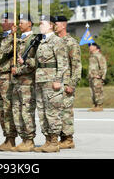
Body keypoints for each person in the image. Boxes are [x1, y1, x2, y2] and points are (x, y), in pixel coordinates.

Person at [34, 15, 68, 153]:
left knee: (52, 112)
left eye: (42, 24)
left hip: (51, 80)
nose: (40, 26)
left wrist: (58, 80)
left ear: (50, 25)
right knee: (42, 112)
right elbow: (39, 63)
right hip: (41, 80)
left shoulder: (57, 41)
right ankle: (47, 140)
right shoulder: (41, 42)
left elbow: (63, 63)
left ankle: (54, 141)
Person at [0, 12, 17, 151]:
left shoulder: (14, 37)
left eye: (5, 20)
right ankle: (7, 137)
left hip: (8, 77)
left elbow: (2, 53)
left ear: (12, 22)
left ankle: (11, 138)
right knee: (1, 110)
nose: (2, 23)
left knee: (8, 109)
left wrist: (12, 35)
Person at [10, 14, 37, 152]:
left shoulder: (33, 39)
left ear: (30, 24)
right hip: (16, 82)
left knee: (26, 111)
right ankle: (23, 138)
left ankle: (29, 140)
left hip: (27, 81)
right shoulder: (18, 38)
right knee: (16, 111)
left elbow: (34, 63)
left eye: (22, 22)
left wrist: (19, 69)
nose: (19, 25)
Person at [54, 15, 81, 149]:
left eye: (56, 23)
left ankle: (68, 139)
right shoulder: (55, 41)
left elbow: (76, 65)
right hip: (57, 82)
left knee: (66, 111)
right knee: (58, 111)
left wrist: (72, 84)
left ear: (63, 25)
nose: (54, 25)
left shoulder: (71, 42)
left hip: (66, 83)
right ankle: (62, 137)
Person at [88, 43, 107, 112]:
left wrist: (100, 75)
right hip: (92, 76)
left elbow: (103, 66)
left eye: (91, 46)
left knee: (98, 90)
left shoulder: (99, 56)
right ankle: (95, 105)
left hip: (97, 77)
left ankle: (99, 105)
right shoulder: (92, 56)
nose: (90, 47)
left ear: (96, 47)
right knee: (92, 91)